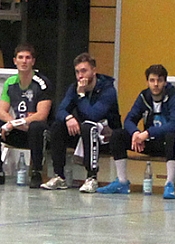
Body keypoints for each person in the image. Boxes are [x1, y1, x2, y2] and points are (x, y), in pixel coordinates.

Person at [98, 63, 175, 198]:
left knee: (173, 136)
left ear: (165, 82)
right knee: (118, 134)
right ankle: (122, 182)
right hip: (151, 141)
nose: (156, 84)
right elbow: (129, 119)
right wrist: (136, 133)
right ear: (147, 82)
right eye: (152, 80)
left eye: (159, 80)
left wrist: (147, 133)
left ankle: (169, 184)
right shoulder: (144, 96)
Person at [42, 52, 120, 192]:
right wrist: (69, 118)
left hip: (106, 137)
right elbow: (61, 110)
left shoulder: (108, 89)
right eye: (77, 72)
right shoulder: (74, 88)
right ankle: (59, 176)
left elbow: (93, 115)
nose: (80, 76)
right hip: (84, 135)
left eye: (84, 71)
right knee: (58, 126)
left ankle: (91, 178)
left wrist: (81, 95)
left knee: (88, 126)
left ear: (94, 71)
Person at [0, 42, 53, 186]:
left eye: (27, 58)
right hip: (19, 130)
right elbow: (1, 112)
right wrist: (13, 124)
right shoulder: (10, 83)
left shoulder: (42, 83)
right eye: (20, 57)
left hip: (38, 133)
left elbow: (41, 115)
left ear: (33, 61)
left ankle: (36, 173)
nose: (24, 61)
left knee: (36, 126)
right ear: (15, 61)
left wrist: (17, 123)